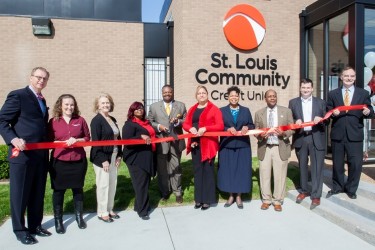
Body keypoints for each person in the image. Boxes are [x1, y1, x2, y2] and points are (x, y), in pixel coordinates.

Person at [0, 67, 51, 245]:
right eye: (38, 77)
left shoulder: (42, 100)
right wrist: (13, 139)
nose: (41, 81)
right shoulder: (18, 95)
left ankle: (35, 226)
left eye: (44, 78)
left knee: (37, 193)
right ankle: (20, 230)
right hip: (22, 156)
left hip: (40, 155)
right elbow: (2, 120)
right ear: (31, 78)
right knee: (20, 194)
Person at [327, 66, 373, 199]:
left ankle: (351, 189)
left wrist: (368, 111)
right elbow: (328, 109)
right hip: (338, 134)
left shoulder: (363, 93)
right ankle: (337, 187)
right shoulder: (333, 94)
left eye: (352, 76)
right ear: (341, 77)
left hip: (355, 135)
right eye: (346, 76)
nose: (349, 78)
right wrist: (332, 113)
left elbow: (369, 109)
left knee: (355, 164)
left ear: (355, 78)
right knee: (337, 163)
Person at [48, 94, 91, 233]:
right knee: (58, 191)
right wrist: (60, 143)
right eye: (66, 104)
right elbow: (48, 141)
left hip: (78, 160)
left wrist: (77, 140)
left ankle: (79, 217)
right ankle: (58, 220)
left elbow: (87, 138)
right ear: (60, 105)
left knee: (77, 189)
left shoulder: (80, 120)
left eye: (72, 104)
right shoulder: (53, 121)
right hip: (59, 161)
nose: (69, 107)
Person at [182, 86, 224, 210]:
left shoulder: (214, 109)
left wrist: (206, 128)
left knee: (208, 172)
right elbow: (185, 123)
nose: (201, 95)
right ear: (196, 96)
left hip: (208, 145)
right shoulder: (192, 109)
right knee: (198, 171)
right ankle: (198, 199)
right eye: (199, 93)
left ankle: (208, 200)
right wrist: (190, 128)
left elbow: (220, 125)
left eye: (203, 93)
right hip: (195, 144)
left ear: (207, 95)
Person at [288, 79, 327, 209]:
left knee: (317, 168)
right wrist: (295, 120)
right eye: (303, 87)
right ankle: (304, 190)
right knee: (303, 167)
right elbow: (289, 119)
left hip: (316, 137)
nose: (305, 90)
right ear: (300, 88)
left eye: (308, 87)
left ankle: (316, 195)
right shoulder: (293, 103)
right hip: (301, 138)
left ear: (312, 88)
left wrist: (321, 120)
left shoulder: (320, 103)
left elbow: (327, 122)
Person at [254, 89, 294, 212]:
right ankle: (266, 200)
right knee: (264, 175)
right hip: (265, 147)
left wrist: (284, 133)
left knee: (280, 176)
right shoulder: (259, 113)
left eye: (274, 96)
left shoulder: (286, 111)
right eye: (269, 96)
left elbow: (292, 128)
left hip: (279, 147)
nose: (272, 98)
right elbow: (256, 130)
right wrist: (260, 135)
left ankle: (277, 201)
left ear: (276, 98)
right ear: (265, 99)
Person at [147, 85, 187, 203]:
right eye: (165, 92)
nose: (167, 94)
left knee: (176, 167)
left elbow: (186, 120)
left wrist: (178, 121)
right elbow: (149, 121)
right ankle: (165, 191)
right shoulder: (154, 107)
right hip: (161, 142)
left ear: (172, 92)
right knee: (162, 168)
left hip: (176, 141)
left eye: (169, 92)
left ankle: (177, 192)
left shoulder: (181, 105)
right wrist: (159, 126)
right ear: (161, 93)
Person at [218, 86, 255, 209]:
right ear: (228, 97)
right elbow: (218, 127)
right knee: (228, 171)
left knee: (241, 170)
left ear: (239, 96)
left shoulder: (246, 110)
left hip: (242, 145)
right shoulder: (221, 111)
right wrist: (227, 129)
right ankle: (231, 196)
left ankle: (238, 196)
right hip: (226, 145)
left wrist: (247, 127)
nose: (234, 97)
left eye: (236, 95)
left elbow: (251, 124)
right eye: (232, 95)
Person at [90, 93, 122, 223]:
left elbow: (117, 139)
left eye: (107, 102)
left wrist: (119, 155)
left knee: (112, 184)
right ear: (98, 105)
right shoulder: (96, 120)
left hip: (114, 156)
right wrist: (103, 160)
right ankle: (102, 212)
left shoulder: (112, 119)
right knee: (103, 185)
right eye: (103, 103)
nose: (106, 105)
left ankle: (109, 209)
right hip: (102, 158)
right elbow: (96, 143)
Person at [122, 102, 156, 220]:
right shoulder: (129, 124)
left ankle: (139, 206)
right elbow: (126, 141)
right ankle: (142, 211)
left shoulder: (146, 122)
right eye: (136, 109)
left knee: (144, 184)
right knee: (140, 185)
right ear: (132, 111)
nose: (139, 110)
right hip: (136, 159)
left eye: (141, 108)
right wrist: (140, 137)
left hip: (146, 157)